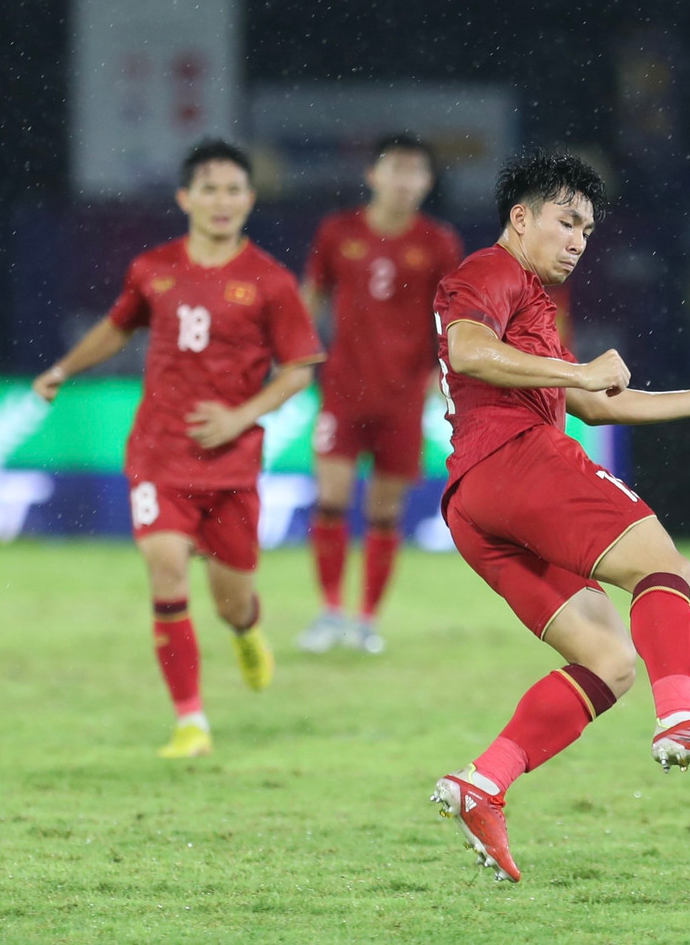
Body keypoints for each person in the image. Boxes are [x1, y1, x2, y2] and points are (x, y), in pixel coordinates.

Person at [428, 149, 690, 883]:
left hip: (474, 502)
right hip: (517, 461)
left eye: (587, 229)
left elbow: (594, 401)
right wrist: (575, 369)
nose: (578, 240)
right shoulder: (493, 270)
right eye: (565, 221)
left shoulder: (531, 300)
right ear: (520, 219)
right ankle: (682, 716)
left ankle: (482, 782)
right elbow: (466, 349)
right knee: (665, 565)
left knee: (610, 661)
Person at [32, 139, 325, 759]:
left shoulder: (270, 281)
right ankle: (190, 720)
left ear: (249, 199)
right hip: (158, 454)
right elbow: (118, 326)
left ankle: (246, 630)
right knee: (165, 571)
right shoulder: (152, 268)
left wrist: (239, 416)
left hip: (233, 464)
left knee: (231, 598)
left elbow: (300, 368)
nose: (222, 201)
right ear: (185, 198)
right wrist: (64, 369)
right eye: (210, 189)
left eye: (234, 190)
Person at [296, 133, 464, 654]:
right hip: (343, 390)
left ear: (427, 182)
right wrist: (298, 356)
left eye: (415, 172)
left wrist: (444, 377)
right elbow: (312, 295)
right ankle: (328, 612)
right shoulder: (338, 232)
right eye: (396, 169)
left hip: (402, 397)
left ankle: (367, 620)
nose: (405, 181)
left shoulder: (437, 243)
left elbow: (451, 317)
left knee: (384, 512)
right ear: (373, 175)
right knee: (331, 500)